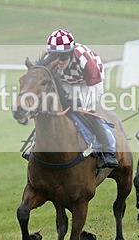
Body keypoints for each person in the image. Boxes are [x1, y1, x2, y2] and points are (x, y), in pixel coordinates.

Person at [44, 29, 118, 169]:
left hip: (90, 80)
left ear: (71, 52)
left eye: (64, 57)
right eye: (55, 57)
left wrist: (78, 103)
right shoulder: (47, 58)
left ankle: (107, 150)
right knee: (53, 108)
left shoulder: (83, 58)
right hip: (66, 81)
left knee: (84, 109)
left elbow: (94, 83)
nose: (60, 61)